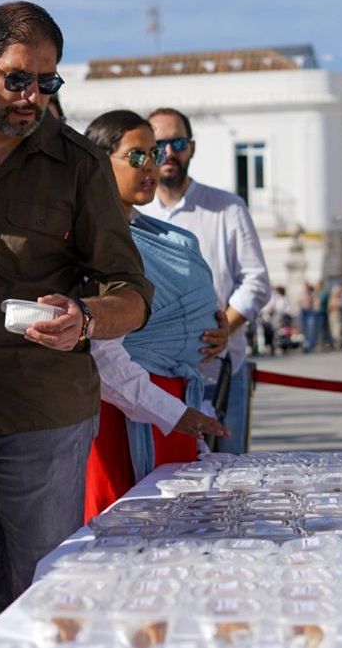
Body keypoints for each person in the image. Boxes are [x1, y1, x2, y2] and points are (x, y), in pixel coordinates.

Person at [0, 1, 153, 633]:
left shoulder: (80, 164)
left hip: (41, 418)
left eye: (48, 82)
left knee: (49, 601)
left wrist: (86, 316)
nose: (33, 96)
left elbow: (131, 290)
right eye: (17, 79)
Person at [81, 109, 229, 520]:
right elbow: (102, 352)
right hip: (124, 411)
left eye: (154, 152)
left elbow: (196, 304)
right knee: (124, 529)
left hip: (176, 404)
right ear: (99, 162)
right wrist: (170, 412)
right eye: (136, 156)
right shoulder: (88, 241)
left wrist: (214, 329)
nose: (151, 165)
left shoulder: (160, 235)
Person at [142, 106, 270, 452]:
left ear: (192, 148)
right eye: (159, 144)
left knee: (228, 482)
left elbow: (256, 281)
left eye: (178, 143)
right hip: (154, 378)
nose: (169, 153)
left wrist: (225, 328)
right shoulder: (135, 213)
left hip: (221, 369)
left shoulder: (226, 207)